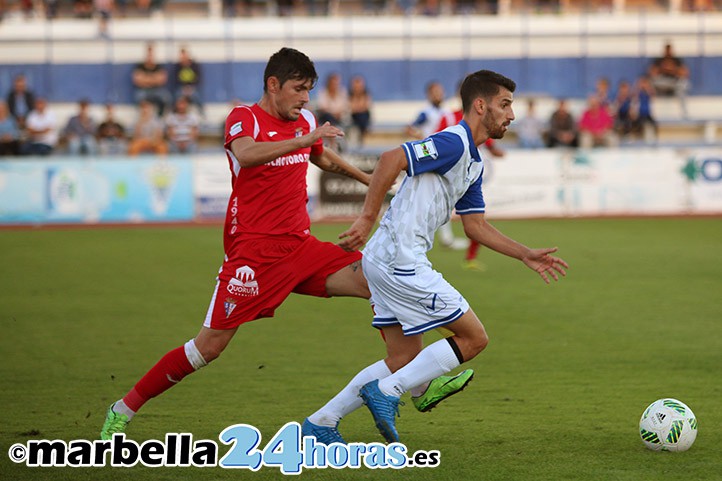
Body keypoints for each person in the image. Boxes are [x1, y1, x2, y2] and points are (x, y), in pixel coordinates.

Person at [100, 47, 470, 440]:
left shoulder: (304, 121)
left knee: (380, 280)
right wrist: (304, 138)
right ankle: (122, 409)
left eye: (309, 90)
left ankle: (415, 386)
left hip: (302, 248)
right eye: (298, 89)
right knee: (206, 349)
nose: (305, 98)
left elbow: (320, 156)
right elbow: (247, 153)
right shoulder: (244, 118)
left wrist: (366, 180)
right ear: (273, 85)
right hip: (254, 257)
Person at [302, 69, 568, 444]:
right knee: (474, 338)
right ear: (481, 105)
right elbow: (391, 158)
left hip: (384, 259)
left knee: (403, 357)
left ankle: (321, 423)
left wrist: (524, 254)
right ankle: (391, 392)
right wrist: (366, 217)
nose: (511, 114)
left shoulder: (472, 162)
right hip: (400, 260)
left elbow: (475, 226)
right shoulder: (453, 143)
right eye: (505, 104)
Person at [648, 42, 689, 116]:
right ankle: (650, 111)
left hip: (674, 83)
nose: (668, 52)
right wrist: (662, 69)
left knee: (684, 83)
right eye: (666, 50)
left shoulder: (677, 60)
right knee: (651, 82)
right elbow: (652, 73)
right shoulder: (659, 60)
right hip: (662, 84)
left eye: (669, 50)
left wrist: (672, 70)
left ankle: (684, 112)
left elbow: (685, 73)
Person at [132, 43, 173, 116]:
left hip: (157, 90)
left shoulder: (159, 66)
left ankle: (160, 118)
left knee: (166, 98)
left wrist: (146, 78)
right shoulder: (140, 66)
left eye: (151, 54)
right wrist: (154, 78)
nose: (150, 56)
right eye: (148, 54)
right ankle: (143, 118)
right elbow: (137, 81)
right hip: (143, 90)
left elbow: (162, 80)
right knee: (139, 97)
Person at [173, 46, 203, 116]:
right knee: (176, 96)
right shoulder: (178, 66)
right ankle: (175, 115)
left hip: (192, 88)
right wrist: (184, 88)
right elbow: (176, 80)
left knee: (197, 97)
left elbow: (198, 78)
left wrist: (190, 88)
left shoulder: (194, 65)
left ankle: (202, 115)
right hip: (181, 88)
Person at [348, 75, 372, 148]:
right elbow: (351, 108)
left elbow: (366, 106)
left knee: (363, 116)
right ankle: (362, 134)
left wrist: (357, 108)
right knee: (360, 117)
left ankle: (362, 135)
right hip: (353, 116)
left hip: (363, 116)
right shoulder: (350, 95)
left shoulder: (366, 94)